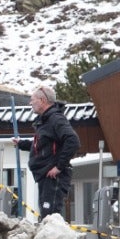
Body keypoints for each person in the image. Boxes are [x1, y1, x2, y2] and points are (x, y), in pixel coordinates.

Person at [16, 83, 79, 220]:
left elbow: (72, 140)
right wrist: (21, 144)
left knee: (50, 217)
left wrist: (58, 167)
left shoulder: (56, 119)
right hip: (45, 177)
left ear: (43, 101)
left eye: (33, 99)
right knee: (46, 217)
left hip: (54, 177)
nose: (30, 102)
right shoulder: (44, 121)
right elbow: (43, 146)